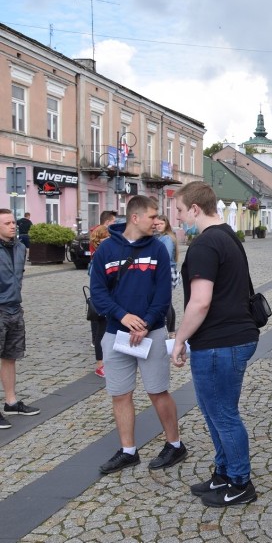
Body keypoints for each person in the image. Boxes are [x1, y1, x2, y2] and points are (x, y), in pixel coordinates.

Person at [171, 181, 259, 507]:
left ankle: (240, 482)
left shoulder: (205, 245)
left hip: (219, 342)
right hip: (229, 339)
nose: (178, 218)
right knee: (213, 413)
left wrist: (179, 339)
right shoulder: (228, 236)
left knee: (222, 414)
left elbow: (200, 302)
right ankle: (223, 473)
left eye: (180, 211)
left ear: (195, 209)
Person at [89, 195, 187, 473]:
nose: (157, 222)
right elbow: (98, 293)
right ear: (135, 218)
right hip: (115, 335)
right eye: (153, 216)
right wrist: (123, 316)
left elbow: (163, 294)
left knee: (158, 391)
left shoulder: (157, 249)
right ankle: (128, 450)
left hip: (151, 332)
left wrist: (144, 323)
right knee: (120, 394)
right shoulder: (106, 250)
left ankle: (175, 444)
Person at [0, 209, 39, 430]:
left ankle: (11, 402)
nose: (13, 226)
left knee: (10, 356)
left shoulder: (20, 247)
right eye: (7, 223)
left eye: (13, 222)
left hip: (15, 308)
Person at [90, 210, 117, 377]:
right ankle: (100, 364)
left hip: (109, 300)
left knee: (106, 331)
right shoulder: (99, 257)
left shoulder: (105, 254)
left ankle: (107, 361)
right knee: (101, 331)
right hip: (103, 301)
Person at [153, 215, 179, 337]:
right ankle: (171, 330)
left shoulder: (167, 239)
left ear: (166, 224)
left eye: (161, 224)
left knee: (166, 302)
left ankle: (170, 331)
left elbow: (166, 257)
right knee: (168, 302)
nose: (158, 226)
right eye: (156, 224)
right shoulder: (161, 237)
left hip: (166, 271)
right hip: (166, 271)